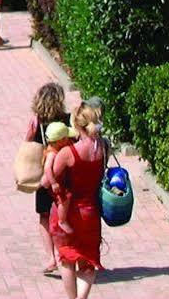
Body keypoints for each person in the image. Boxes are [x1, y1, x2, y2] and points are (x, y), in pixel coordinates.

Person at [52, 103, 106, 299]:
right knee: (88, 261)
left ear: (77, 125)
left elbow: (50, 179)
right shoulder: (103, 148)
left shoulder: (69, 153)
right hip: (92, 211)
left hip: (70, 211)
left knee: (67, 258)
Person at [25, 81, 70, 275]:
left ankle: (51, 257)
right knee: (65, 216)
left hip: (44, 176)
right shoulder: (68, 121)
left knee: (44, 216)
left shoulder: (38, 125)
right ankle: (65, 254)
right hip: (64, 175)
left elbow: (27, 151)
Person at [42, 122, 78, 234]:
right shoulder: (52, 154)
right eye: (66, 138)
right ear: (59, 141)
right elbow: (47, 168)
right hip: (57, 183)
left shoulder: (57, 147)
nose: (69, 139)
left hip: (61, 180)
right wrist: (53, 183)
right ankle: (62, 220)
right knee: (64, 199)